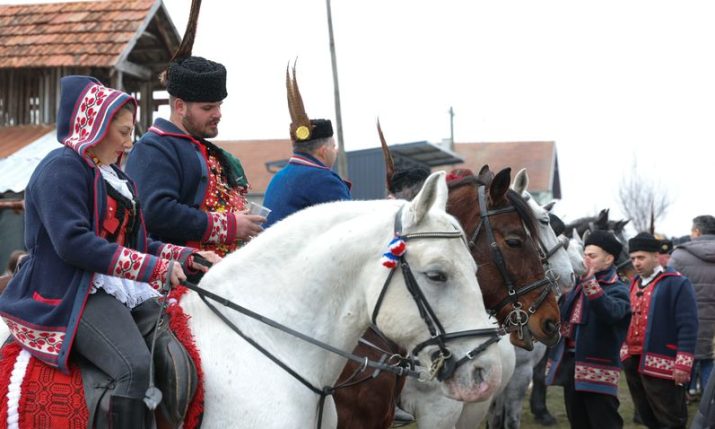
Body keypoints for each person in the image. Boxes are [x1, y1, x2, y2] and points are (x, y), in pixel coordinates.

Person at [0, 76, 219, 428]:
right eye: (122, 132)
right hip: (70, 289)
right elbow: (73, 243)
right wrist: (152, 269)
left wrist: (185, 258)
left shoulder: (117, 178)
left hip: (115, 286)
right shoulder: (61, 168)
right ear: (95, 127)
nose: (129, 142)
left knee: (182, 338)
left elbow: (138, 244)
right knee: (133, 367)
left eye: (131, 131)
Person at [126, 56, 264, 257]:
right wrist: (227, 226)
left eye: (219, 105)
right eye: (208, 108)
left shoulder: (200, 147)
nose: (218, 114)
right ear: (180, 106)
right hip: (178, 278)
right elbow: (154, 212)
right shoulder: (154, 148)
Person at [545, 230, 631, 428]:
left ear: (609, 259)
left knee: (604, 422)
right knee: (578, 422)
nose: (585, 259)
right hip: (571, 365)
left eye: (592, 256)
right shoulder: (576, 285)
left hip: (599, 369)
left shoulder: (618, 288)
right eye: (584, 254)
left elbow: (611, 313)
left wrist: (590, 284)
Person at [622, 232, 698, 429]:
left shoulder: (677, 282)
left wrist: (683, 362)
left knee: (670, 419)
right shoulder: (633, 284)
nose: (636, 263)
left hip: (664, 361)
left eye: (641, 257)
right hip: (634, 362)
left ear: (656, 256)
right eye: (633, 258)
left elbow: (688, 325)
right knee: (647, 415)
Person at [262, 65, 351, 228]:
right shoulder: (324, 180)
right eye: (334, 146)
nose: (336, 150)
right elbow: (348, 229)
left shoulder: (279, 176)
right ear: (323, 151)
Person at [670, 215, 715, 398]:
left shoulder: (679, 256)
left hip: (687, 325)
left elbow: (669, 292)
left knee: (686, 364)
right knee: (709, 368)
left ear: (696, 232)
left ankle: (682, 404)